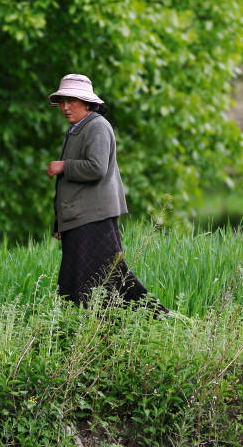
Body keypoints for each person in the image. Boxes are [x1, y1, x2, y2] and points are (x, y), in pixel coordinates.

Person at [46, 73, 168, 314]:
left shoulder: (97, 127)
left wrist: (63, 166)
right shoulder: (76, 129)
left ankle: (164, 324)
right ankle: (94, 336)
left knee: (108, 282)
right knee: (82, 283)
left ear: (87, 102)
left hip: (95, 219)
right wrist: (60, 223)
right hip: (79, 219)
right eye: (62, 101)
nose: (65, 107)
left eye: (72, 100)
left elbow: (97, 167)